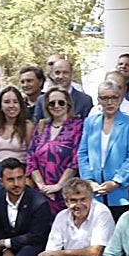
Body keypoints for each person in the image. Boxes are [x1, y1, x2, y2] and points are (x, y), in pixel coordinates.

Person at [77, 79, 129, 221]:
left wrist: (116, 181)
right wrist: (88, 180)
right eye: (105, 98)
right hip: (95, 191)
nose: (109, 102)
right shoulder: (90, 122)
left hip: (120, 193)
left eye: (114, 97)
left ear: (120, 98)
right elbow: (82, 153)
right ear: (98, 100)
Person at [26, 86, 83, 215]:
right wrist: (42, 186)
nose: (56, 106)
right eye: (52, 103)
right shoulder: (41, 126)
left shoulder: (77, 126)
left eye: (61, 102)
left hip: (67, 193)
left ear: (68, 104)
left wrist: (59, 186)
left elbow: (76, 160)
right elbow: (31, 157)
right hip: (42, 193)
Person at [0, 85, 32, 197]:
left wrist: (29, 178)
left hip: (19, 173)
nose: (11, 106)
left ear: (20, 105)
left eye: (15, 102)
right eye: (7, 102)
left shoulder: (27, 126)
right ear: (0, 105)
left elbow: (31, 156)